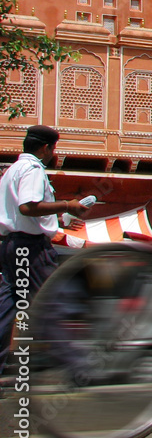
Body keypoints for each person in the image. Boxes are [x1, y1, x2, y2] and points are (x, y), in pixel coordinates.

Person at [0, 125, 91, 383]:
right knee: (51, 302)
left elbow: (21, 212)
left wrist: (60, 218)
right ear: (46, 148)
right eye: (53, 148)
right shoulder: (33, 169)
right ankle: (77, 367)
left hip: (11, 246)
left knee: (8, 308)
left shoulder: (12, 170)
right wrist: (67, 203)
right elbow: (28, 207)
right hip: (30, 249)